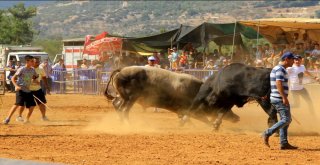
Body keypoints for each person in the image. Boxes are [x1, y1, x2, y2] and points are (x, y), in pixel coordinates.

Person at [262, 52, 298, 150]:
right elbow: (278, 83)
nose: (293, 62)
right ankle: (267, 133)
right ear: (286, 59)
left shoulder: (279, 69)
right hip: (279, 98)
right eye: (292, 59)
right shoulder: (280, 69)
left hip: (277, 97)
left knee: (285, 120)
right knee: (286, 119)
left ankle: (284, 143)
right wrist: (284, 97)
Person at [3, 55, 37, 124]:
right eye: (32, 61)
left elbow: (34, 77)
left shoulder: (33, 69)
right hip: (20, 89)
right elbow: (13, 78)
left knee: (32, 105)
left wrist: (34, 80)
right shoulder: (21, 69)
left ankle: (27, 120)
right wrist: (16, 86)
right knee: (17, 104)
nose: (33, 62)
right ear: (27, 61)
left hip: (28, 90)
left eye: (33, 61)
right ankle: (7, 119)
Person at [16, 57, 50, 122]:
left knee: (42, 103)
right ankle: (19, 116)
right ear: (32, 62)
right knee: (23, 103)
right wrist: (31, 81)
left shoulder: (41, 69)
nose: (37, 63)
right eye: (35, 62)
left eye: (38, 62)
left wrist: (47, 86)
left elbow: (44, 77)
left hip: (37, 89)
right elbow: (24, 78)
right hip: (28, 89)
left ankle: (43, 116)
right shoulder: (28, 69)